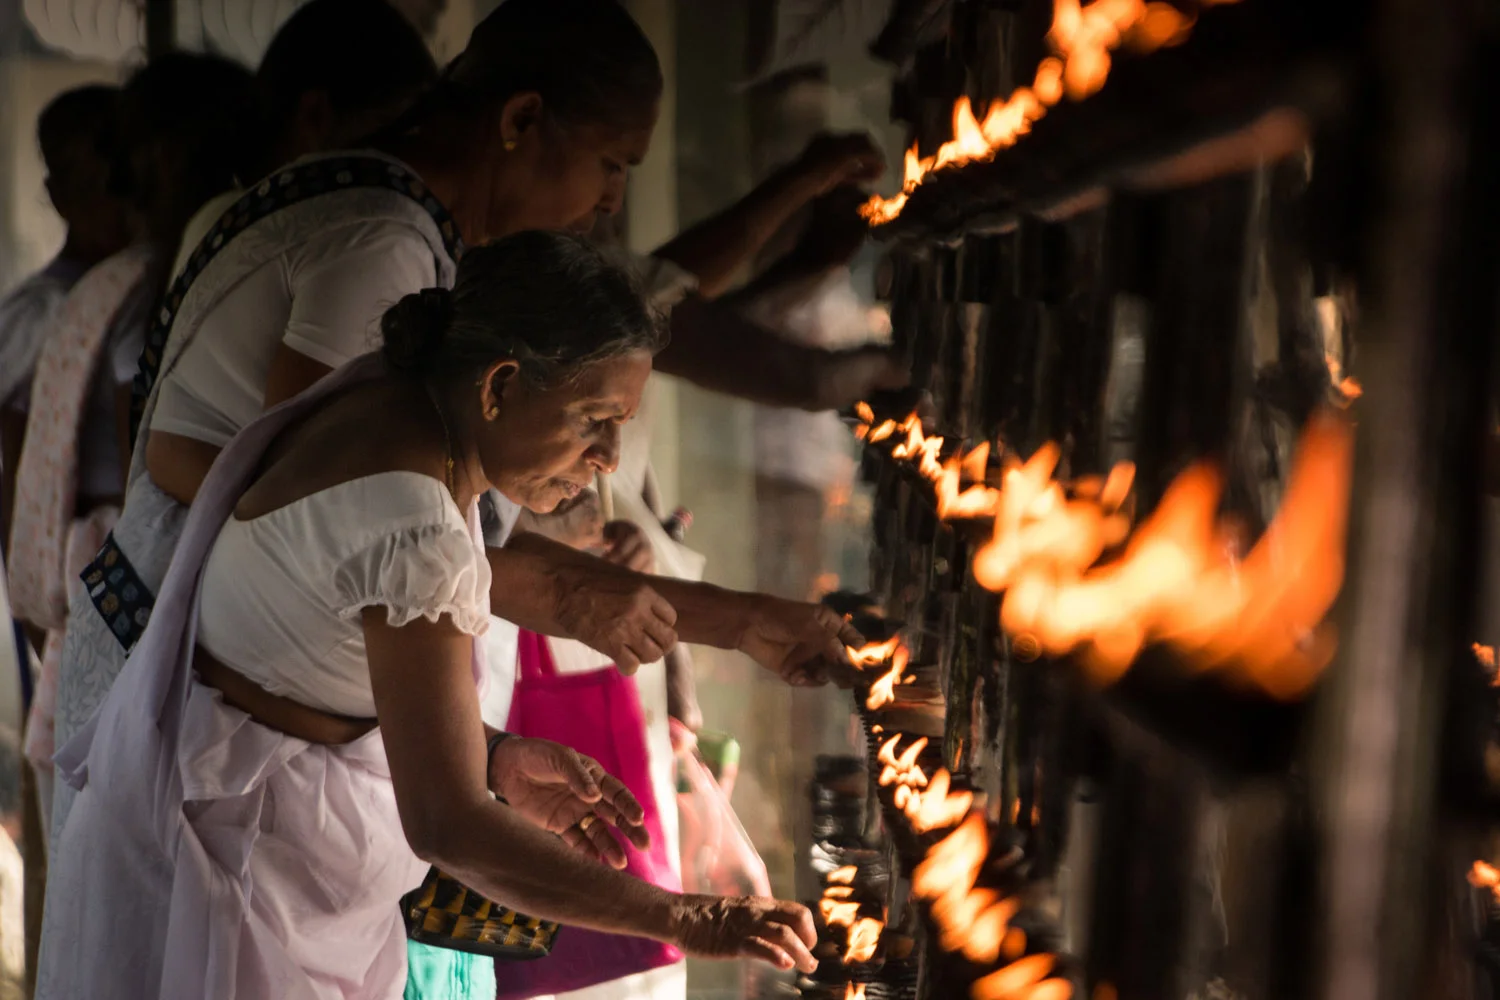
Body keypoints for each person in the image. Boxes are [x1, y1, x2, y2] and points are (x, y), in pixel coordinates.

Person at [38, 231, 833, 1000]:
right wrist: (686, 918)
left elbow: (307, 656)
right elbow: (449, 827)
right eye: (594, 420)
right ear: (499, 386)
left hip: (216, 849)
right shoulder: (415, 528)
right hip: (239, 890)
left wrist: (493, 753)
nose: (608, 461)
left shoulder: (385, 404)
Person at [6, 55, 252, 836]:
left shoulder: (117, 285)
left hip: (98, 566)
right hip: (126, 560)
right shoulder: (132, 289)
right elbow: (142, 459)